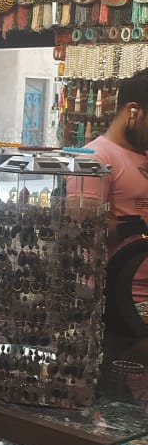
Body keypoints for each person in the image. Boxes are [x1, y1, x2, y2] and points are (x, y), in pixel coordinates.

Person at [70, 67, 148, 303]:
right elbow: (85, 231)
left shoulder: (142, 155)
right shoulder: (94, 158)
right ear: (133, 111)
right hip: (122, 298)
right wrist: (141, 224)